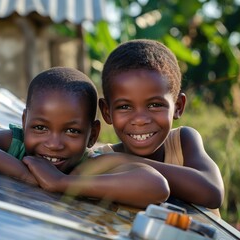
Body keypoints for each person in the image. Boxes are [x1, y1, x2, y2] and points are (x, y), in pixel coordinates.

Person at [0, 66, 169, 208]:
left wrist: (62, 183)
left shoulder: (90, 166)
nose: (53, 143)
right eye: (40, 128)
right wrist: (22, 172)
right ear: (24, 122)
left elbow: (156, 186)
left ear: (92, 135)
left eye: (72, 131)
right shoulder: (17, 145)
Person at [93, 39, 224, 212]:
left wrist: (125, 160)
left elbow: (212, 192)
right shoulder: (99, 162)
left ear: (178, 107)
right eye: (125, 107)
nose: (140, 120)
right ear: (107, 112)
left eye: (155, 105)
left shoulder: (182, 141)